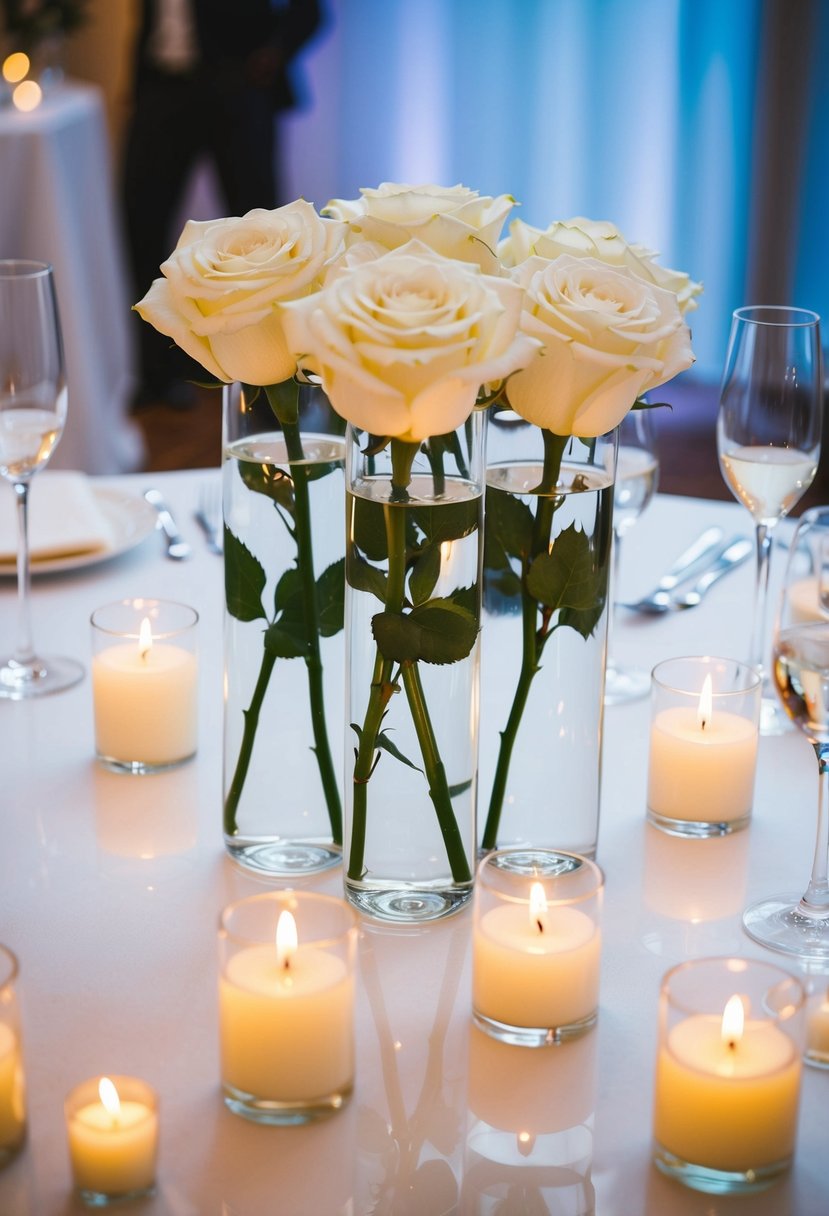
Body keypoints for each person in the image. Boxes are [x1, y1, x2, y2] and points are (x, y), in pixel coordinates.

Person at [122, 0, 322, 406]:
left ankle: (272, 382)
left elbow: (311, 10)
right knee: (140, 224)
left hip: (234, 82)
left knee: (265, 235)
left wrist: (272, 54)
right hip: (160, 83)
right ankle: (157, 374)